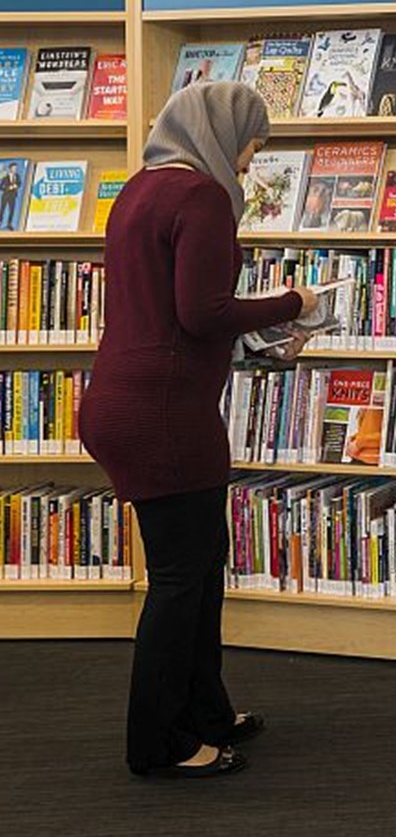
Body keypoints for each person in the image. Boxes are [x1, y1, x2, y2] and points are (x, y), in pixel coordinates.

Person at [79, 82, 318, 780]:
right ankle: (159, 743)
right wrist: (293, 302)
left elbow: (165, 313)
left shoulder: (139, 191)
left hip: (125, 398)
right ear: (221, 132)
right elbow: (202, 312)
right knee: (182, 581)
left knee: (201, 568)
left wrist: (259, 347)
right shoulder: (202, 196)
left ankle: (206, 713)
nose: (248, 164)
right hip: (164, 414)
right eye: (250, 147)